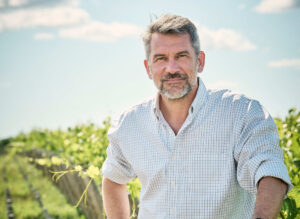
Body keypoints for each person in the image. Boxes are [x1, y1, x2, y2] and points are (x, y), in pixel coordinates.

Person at [101, 14, 292, 219]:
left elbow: (269, 173)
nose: (171, 69)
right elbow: (113, 179)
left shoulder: (240, 113)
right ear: (148, 68)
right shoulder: (130, 124)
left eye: (181, 56)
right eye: (161, 59)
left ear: (199, 62)